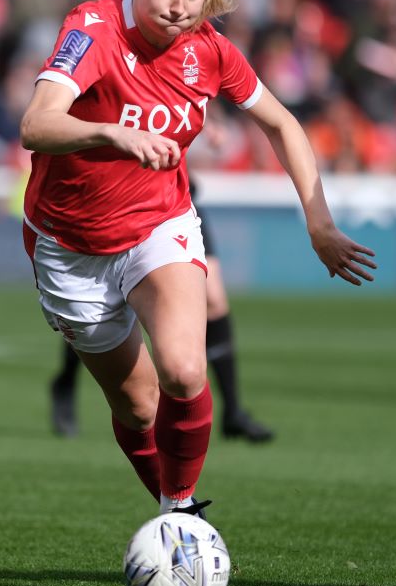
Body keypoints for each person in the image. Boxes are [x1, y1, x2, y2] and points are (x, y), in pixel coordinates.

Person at [20, 0, 375, 518]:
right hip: (69, 245)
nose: (179, 7)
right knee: (137, 407)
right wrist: (112, 134)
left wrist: (318, 221)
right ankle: (172, 507)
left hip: (159, 224)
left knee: (185, 371)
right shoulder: (92, 28)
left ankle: (178, 517)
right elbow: (37, 124)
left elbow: (282, 124)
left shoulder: (211, 51)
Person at [50, 179, 275, 443]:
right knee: (104, 304)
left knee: (213, 298)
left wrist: (212, 134)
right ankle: (65, 382)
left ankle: (233, 411)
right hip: (119, 196)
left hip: (174, 196)